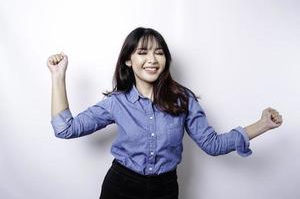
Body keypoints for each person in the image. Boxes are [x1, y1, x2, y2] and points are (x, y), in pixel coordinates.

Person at [47, 27, 283, 199]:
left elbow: (213, 145)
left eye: (159, 53)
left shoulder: (184, 100)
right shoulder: (116, 103)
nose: (152, 60)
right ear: (128, 60)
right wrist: (58, 77)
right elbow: (65, 128)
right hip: (120, 188)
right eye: (142, 52)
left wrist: (262, 125)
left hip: (165, 190)